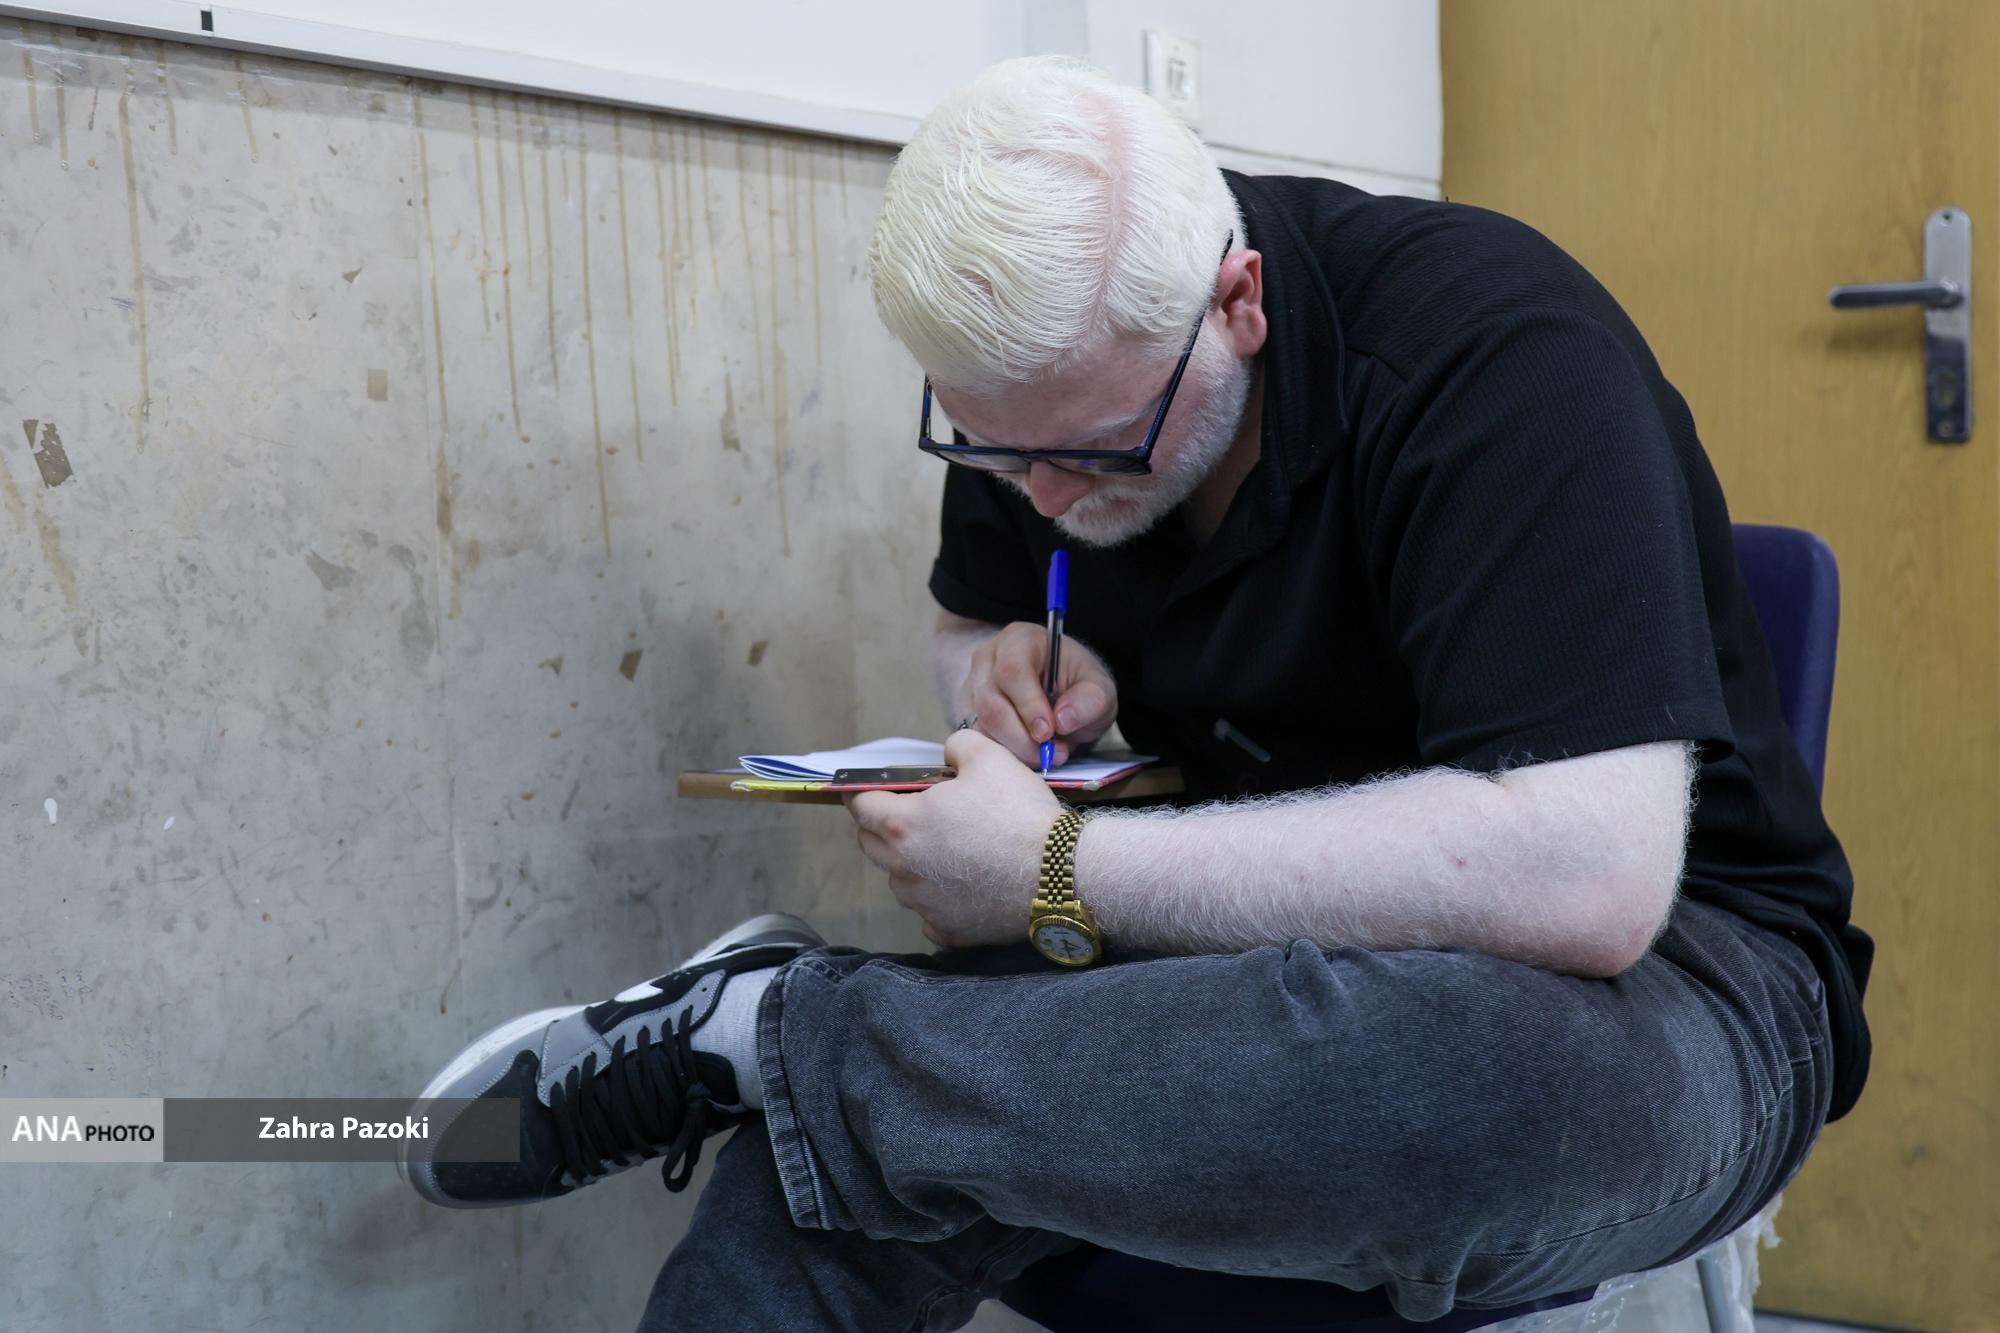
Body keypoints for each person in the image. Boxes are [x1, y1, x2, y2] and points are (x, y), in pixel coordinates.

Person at [400, 56, 1873, 1331]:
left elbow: (1590, 878)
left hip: (1672, 978)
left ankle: (785, 1034)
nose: (1042, 496)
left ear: (1237, 302)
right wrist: (995, 673)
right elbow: (971, 609)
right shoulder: (1050, 384)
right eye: (992, 452)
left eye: (1091, 455)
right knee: (834, 1165)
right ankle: (799, 1049)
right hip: (1228, 963)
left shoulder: (1495, 353)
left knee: (1472, 1095)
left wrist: (1054, 867)